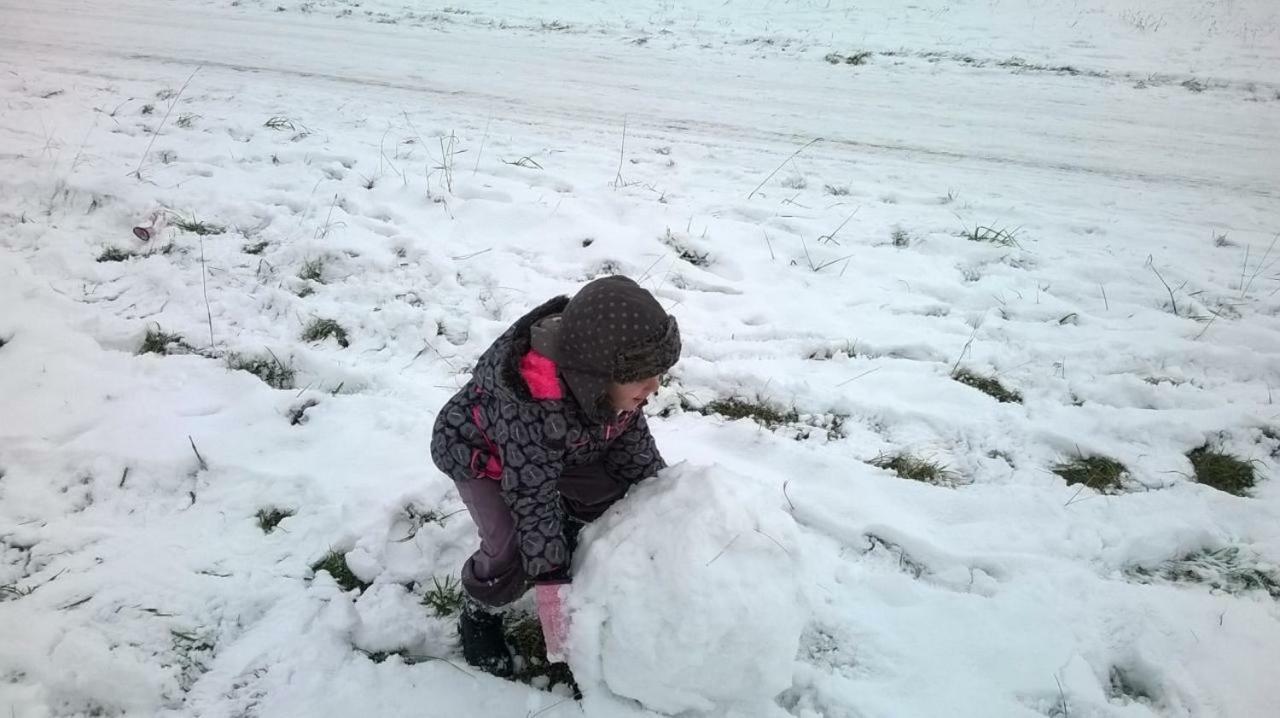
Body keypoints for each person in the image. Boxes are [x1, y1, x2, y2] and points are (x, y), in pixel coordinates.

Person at [430, 275, 681, 677]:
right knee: (511, 547)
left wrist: (668, 503)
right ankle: (480, 610)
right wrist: (550, 584)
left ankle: (572, 535)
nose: (654, 387)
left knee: (614, 500)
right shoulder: (530, 405)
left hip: (562, 450)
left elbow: (634, 454)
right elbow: (532, 496)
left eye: (659, 373)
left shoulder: (612, 389)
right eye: (642, 376)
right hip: (481, 455)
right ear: (595, 373)